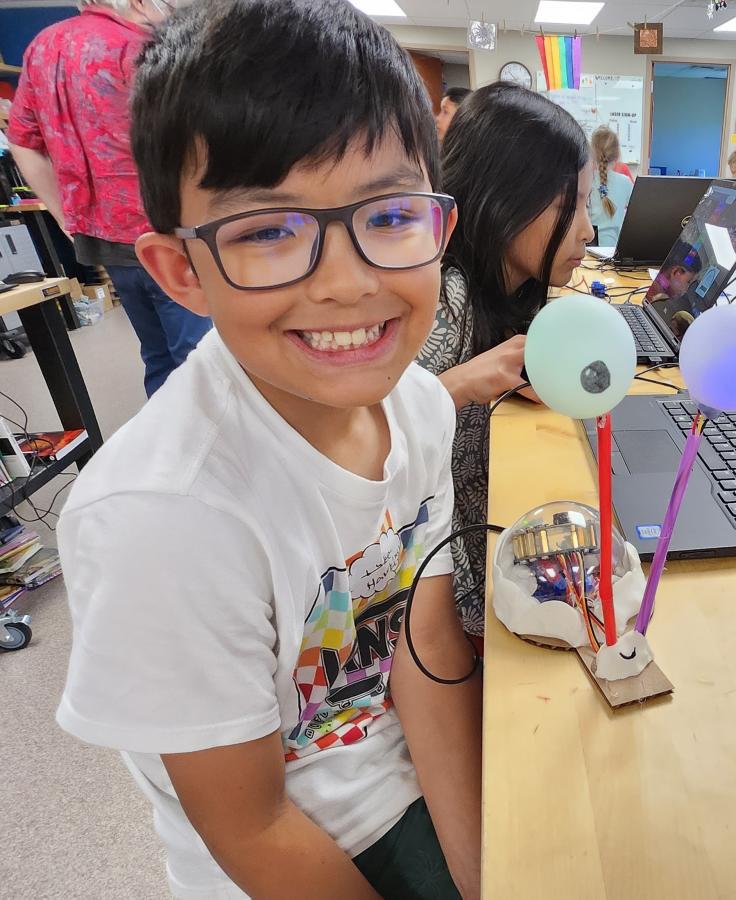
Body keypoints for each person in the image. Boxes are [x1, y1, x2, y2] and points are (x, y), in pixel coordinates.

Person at [54, 2, 480, 898]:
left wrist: (489, 874)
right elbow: (250, 824)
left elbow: (424, 650)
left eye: (390, 214)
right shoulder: (163, 518)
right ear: (180, 272)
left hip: (403, 781)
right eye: (267, 231)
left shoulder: (421, 410)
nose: (347, 283)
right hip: (286, 855)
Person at [417, 82, 593, 637]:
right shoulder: (444, 305)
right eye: (570, 207)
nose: (587, 232)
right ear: (504, 201)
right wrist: (462, 383)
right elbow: (365, 445)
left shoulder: (504, 295)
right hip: (440, 585)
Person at [7, 0, 212, 397]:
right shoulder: (144, 49)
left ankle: (168, 448)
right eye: (171, 5)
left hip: (106, 241)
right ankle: (216, 454)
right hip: (170, 234)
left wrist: (68, 219)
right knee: (202, 358)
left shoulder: (43, 48)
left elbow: (21, 141)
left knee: (159, 355)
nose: (174, 15)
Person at [587, 125, 634, 246]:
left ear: (592, 154)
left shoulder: (585, 181)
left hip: (589, 251)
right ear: (617, 154)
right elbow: (639, 215)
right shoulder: (625, 182)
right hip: (614, 249)